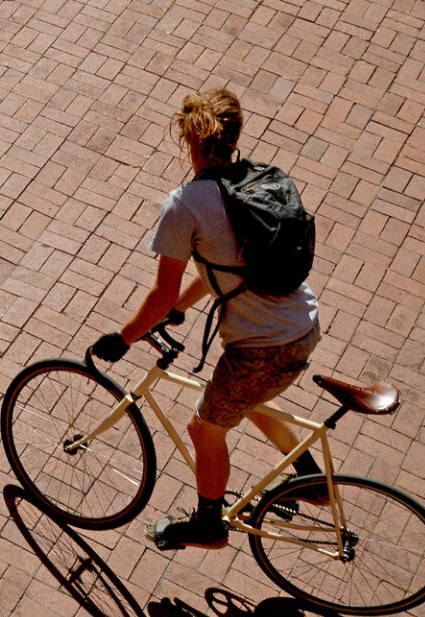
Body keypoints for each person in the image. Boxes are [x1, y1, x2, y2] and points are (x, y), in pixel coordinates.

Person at [91, 89, 322, 550]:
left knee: (204, 427)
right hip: (303, 323)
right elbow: (225, 269)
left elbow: (161, 294)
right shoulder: (255, 183)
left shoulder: (185, 205)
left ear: (190, 141)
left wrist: (125, 338)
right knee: (247, 399)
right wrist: (182, 309)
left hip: (261, 348)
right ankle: (310, 480)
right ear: (233, 138)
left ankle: (209, 526)